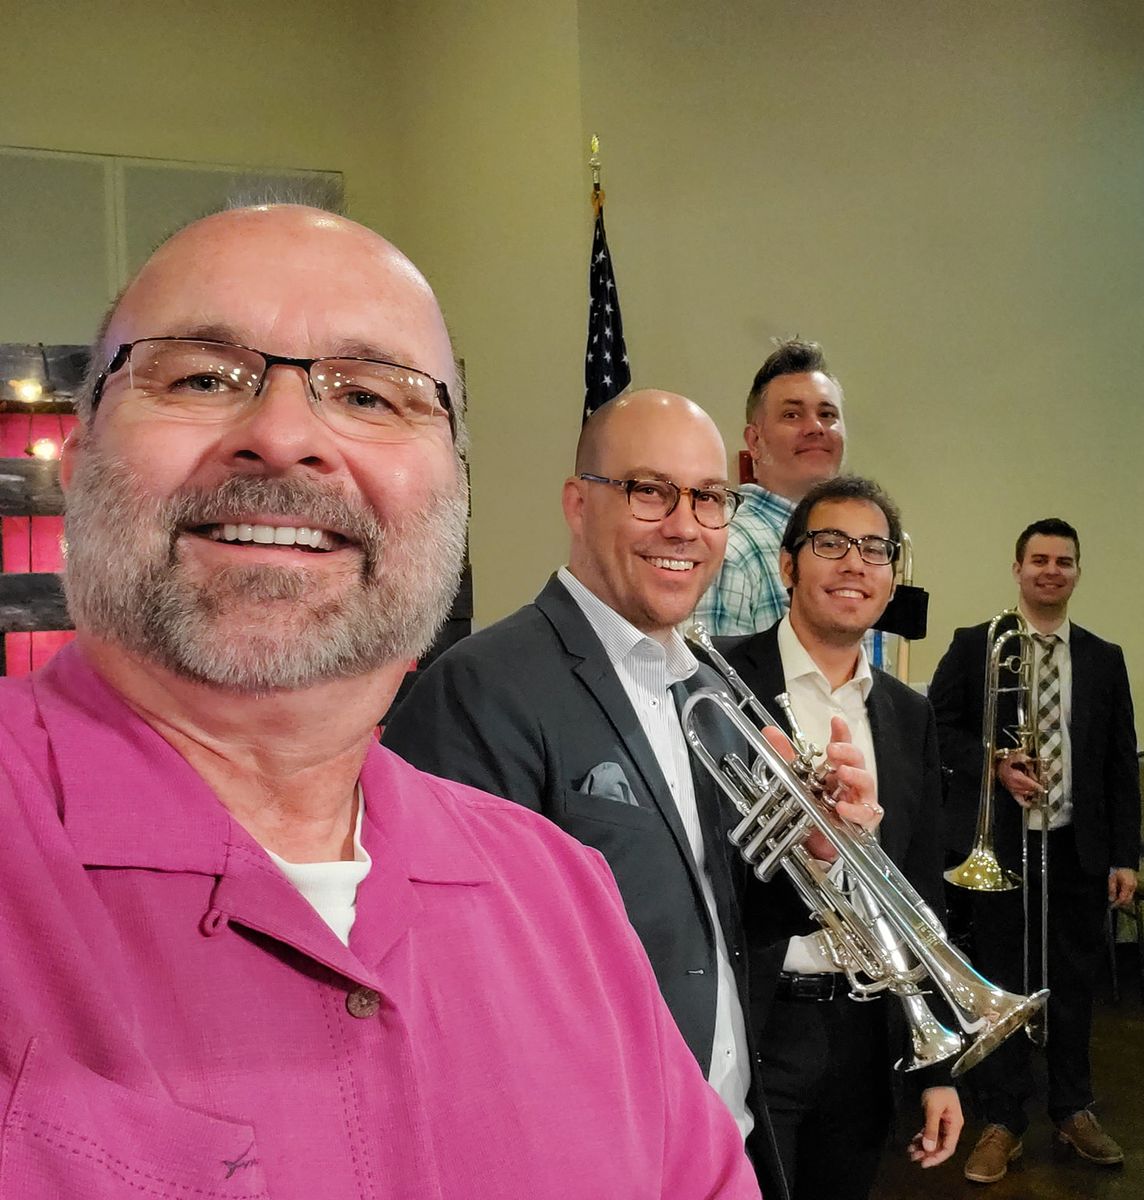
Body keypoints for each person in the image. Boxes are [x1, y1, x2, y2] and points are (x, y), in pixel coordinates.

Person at [0, 204, 754, 1199]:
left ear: (455, 495)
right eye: (200, 378)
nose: (283, 437)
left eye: (369, 395)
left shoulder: (567, 895)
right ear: (80, 456)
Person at [381, 391, 880, 1198]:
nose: (685, 525)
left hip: (727, 1144)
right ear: (579, 504)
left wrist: (813, 854)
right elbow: (452, 993)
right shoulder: (481, 687)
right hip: (591, 1165)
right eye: (650, 491)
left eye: (709, 498)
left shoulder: (708, 684)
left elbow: (722, 917)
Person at [716, 475, 962, 1199]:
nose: (855, 562)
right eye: (831, 543)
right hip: (754, 1018)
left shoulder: (909, 715)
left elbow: (920, 891)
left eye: (875, 549)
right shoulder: (715, 679)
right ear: (787, 565)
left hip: (865, 1031)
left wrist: (936, 1068)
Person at [928, 518, 1140, 1185]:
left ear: (1077, 572)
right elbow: (938, 728)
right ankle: (1003, 1120)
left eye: (1064, 561)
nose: (1052, 571)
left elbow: (1119, 761)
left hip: (1078, 846)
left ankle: (1073, 1108)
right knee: (1001, 986)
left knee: (1074, 984)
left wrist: (1125, 855)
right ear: (1017, 568)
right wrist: (994, 764)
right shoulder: (976, 645)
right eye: (1040, 560)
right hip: (1003, 846)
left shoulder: (1104, 657)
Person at [691, 339, 845, 636]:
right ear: (754, 441)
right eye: (792, 414)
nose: (816, 428)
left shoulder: (858, 553)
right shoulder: (731, 551)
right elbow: (709, 667)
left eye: (827, 414)